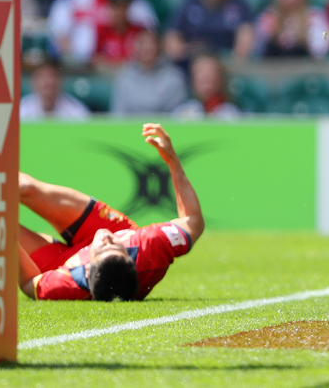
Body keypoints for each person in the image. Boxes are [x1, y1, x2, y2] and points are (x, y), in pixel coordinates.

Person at [17, 123, 203, 301]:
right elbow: (193, 220)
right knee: (25, 188)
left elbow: (27, 282)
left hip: (59, 263)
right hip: (111, 226)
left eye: (103, 248)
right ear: (131, 259)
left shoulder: (67, 283)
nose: (107, 239)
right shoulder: (150, 247)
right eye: (116, 246)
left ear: (88, 270)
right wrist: (172, 160)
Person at [254, 0, 329, 58]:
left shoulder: (315, 16)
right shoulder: (268, 16)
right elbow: (258, 49)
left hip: (304, 64)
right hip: (273, 64)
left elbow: (321, 49)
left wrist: (303, 36)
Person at [111, 30, 188, 116]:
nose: (147, 48)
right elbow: (118, 115)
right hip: (130, 128)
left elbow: (176, 115)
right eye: (143, 44)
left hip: (162, 128)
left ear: (159, 47)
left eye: (151, 44)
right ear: (136, 49)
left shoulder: (174, 76)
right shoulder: (125, 77)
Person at [172, 55, 242, 118]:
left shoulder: (233, 115)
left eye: (211, 75)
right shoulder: (182, 113)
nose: (206, 81)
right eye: (201, 76)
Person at [93, 0, 145, 70]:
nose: (120, 11)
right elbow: (97, 59)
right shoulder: (102, 32)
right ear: (110, 7)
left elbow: (144, 59)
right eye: (116, 6)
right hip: (109, 76)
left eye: (123, 6)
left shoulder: (138, 31)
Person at [19, 59, 91, 120]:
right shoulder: (20, 111)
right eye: (42, 76)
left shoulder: (77, 112)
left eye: (53, 75)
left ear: (61, 80)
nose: (48, 81)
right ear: (33, 81)